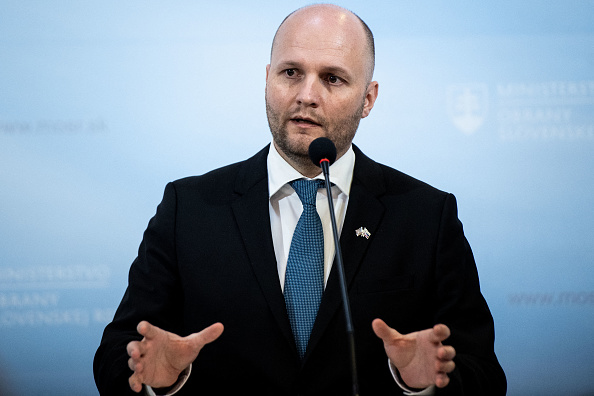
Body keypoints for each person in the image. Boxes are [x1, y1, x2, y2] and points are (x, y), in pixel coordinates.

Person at [94, 4, 506, 395]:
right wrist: (156, 379)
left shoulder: (425, 216)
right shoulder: (189, 208)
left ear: (368, 98)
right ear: (268, 78)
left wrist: (425, 383)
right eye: (291, 72)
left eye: (332, 78)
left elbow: (484, 373)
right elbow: (118, 354)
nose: (306, 94)